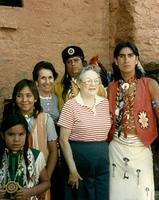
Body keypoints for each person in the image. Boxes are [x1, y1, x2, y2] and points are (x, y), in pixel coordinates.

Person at [107, 41, 159, 200]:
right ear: (116, 61)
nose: (126, 60)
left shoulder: (150, 84)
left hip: (141, 146)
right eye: (121, 56)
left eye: (130, 55)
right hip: (116, 147)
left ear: (137, 59)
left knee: (142, 193)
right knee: (117, 194)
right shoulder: (110, 87)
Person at [58, 65, 111, 200]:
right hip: (78, 165)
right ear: (79, 83)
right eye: (87, 81)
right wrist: (72, 170)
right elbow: (63, 140)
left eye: (95, 80)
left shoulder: (105, 104)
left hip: (102, 165)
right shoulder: (70, 105)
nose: (92, 84)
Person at [3, 79, 58, 200]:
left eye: (28, 95)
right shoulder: (10, 120)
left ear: (36, 98)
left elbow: (54, 151)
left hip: (39, 173)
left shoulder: (45, 119)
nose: (24, 100)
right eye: (19, 96)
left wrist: (44, 178)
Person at [0, 112, 50, 200]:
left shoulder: (36, 155)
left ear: (26, 134)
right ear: (2, 135)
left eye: (21, 134)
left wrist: (31, 192)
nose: (16, 139)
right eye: (11, 134)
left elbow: (46, 182)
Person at [52, 45, 105, 112]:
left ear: (82, 62)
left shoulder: (95, 84)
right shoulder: (57, 88)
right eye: (69, 62)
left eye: (76, 60)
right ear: (66, 66)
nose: (73, 64)